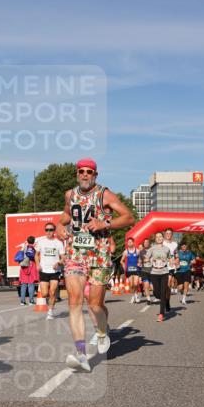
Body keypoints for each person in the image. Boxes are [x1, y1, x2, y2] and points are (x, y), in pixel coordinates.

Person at [56, 158, 135, 371]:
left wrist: (104, 223)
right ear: (77, 173)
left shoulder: (104, 195)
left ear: (95, 175)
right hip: (75, 253)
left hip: (99, 255)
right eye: (81, 171)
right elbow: (66, 214)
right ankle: (81, 354)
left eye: (89, 172)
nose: (85, 175)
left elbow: (128, 218)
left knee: (94, 305)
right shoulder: (69, 194)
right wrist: (59, 226)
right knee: (74, 301)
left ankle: (101, 331)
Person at [37, 223, 65, 319]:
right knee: (44, 293)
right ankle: (50, 302)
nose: (48, 232)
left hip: (55, 271)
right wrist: (37, 264)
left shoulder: (58, 243)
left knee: (52, 292)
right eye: (47, 230)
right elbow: (36, 254)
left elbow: (63, 257)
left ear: (54, 231)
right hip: (44, 270)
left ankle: (50, 311)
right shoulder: (41, 242)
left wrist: (59, 263)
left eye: (51, 230)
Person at [147, 232, 172, 321]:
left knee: (162, 292)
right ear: (155, 239)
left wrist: (171, 262)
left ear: (163, 238)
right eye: (157, 237)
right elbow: (146, 258)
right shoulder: (152, 249)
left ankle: (161, 314)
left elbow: (170, 257)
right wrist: (149, 260)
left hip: (164, 272)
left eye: (160, 236)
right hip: (154, 272)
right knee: (156, 293)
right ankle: (165, 300)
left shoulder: (167, 249)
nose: (159, 238)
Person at [17, 236, 38, 305]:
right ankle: (31, 301)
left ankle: (22, 301)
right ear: (33, 241)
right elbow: (35, 258)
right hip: (31, 266)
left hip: (23, 266)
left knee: (23, 284)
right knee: (31, 284)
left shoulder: (24, 248)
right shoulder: (33, 249)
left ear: (27, 241)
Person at [123, 237, 142, 303]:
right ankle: (133, 296)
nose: (129, 243)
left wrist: (140, 262)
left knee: (136, 284)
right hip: (129, 270)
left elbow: (140, 259)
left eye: (131, 242)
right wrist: (124, 268)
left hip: (136, 269)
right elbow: (121, 261)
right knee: (131, 285)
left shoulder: (137, 251)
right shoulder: (125, 252)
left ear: (133, 243)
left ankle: (136, 296)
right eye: (128, 242)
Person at [162, 228, 179, 294]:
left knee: (169, 281)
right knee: (162, 283)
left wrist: (177, 262)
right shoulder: (162, 243)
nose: (168, 235)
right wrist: (168, 259)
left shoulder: (175, 244)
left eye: (170, 233)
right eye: (167, 233)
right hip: (162, 265)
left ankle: (166, 297)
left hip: (171, 266)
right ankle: (162, 295)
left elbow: (176, 255)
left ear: (172, 235)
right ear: (165, 234)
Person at [140, 237, 154, 303]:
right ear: (143, 244)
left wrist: (151, 260)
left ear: (149, 243)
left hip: (152, 270)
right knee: (146, 285)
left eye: (147, 242)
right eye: (145, 242)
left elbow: (154, 259)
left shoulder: (152, 251)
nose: (146, 243)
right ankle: (148, 299)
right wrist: (141, 262)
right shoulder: (141, 252)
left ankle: (157, 295)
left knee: (153, 287)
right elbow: (141, 260)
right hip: (144, 270)